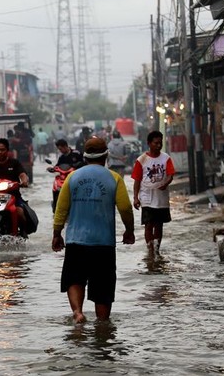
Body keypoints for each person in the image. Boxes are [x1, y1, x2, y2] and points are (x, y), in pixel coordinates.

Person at [52, 137, 135, 323]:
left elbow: (61, 209)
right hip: (103, 243)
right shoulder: (114, 178)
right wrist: (129, 231)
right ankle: (102, 325)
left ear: (85, 156)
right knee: (103, 288)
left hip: (76, 241)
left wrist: (57, 234)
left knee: (74, 278)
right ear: (106, 155)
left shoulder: (73, 177)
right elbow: (125, 209)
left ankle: (78, 312)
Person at [132, 130, 175, 257]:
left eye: (160, 143)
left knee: (159, 225)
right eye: (156, 143)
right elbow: (137, 180)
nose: (158, 145)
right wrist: (135, 198)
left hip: (161, 197)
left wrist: (165, 184)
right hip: (146, 197)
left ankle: (157, 249)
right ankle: (150, 249)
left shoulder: (166, 158)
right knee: (148, 224)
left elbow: (170, 175)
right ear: (149, 143)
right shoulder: (141, 160)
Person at [0, 138, 36, 233]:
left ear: (7, 150)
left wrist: (24, 181)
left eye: (2, 150)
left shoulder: (14, 163)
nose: (0, 152)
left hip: (14, 197)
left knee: (20, 213)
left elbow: (22, 174)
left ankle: (23, 233)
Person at [49, 138, 84, 211]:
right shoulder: (62, 157)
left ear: (65, 146)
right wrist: (52, 169)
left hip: (77, 176)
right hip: (65, 178)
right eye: (59, 149)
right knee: (55, 186)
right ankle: (55, 206)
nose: (60, 151)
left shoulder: (76, 153)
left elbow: (84, 162)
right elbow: (57, 166)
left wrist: (76, 165)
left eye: (61, 149)